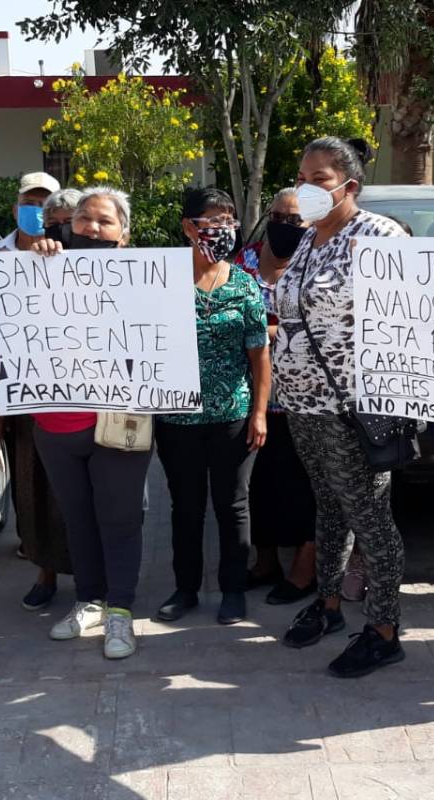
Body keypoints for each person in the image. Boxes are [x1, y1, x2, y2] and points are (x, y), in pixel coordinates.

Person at [272, 136, 408, 678]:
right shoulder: (307, 240)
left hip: (352, 409)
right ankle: (328, 603)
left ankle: (383, 628)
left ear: (350, 186)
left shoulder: (378, 237)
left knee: (370, 520)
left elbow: (414, 316)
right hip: (304, 405)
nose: (306, 188)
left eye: (319, 179)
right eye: (302, 177)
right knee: (327, 508)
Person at [28, 187, 152, 660]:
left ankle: (120, 613)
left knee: (119, 519)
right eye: (83, 219)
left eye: (105, 221)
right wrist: (35, 262)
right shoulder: (39, 267)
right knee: (76, 519)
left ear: (123, 233)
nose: (92, 229)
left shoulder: (146, 278)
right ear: (66, 224)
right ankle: (89, 600)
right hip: (56, 422)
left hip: (119, 420)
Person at [153, 188, 269, 626]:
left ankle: (233, 590)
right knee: (185, 506)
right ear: (188, 226)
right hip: (175, 417)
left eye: (229, 221)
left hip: (231, 417)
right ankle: (185, 589)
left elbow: (260, 355)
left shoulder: (243, 285)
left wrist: (258, 413)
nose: (222, 229)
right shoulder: (159, 279)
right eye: (212, 220)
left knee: (232, 505)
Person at [0, 172, 71, 611]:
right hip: (20, 391)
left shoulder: (77, 253)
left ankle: (91, 577)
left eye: (45, 204)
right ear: (16, 207)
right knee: (30, 484)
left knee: (77, 489)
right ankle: (43, 570)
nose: (37, 210)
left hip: (79, 391)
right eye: (29, 201)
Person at [235, 188, 318, 606]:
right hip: (253, 401)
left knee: (303, 486)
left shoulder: (318, 265)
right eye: (279, 216)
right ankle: (264, 562)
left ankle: (306, 569)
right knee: (258, 485)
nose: (286, 225)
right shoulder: (243, 263)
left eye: (296, 220)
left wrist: (264, 334)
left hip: (306, 399)